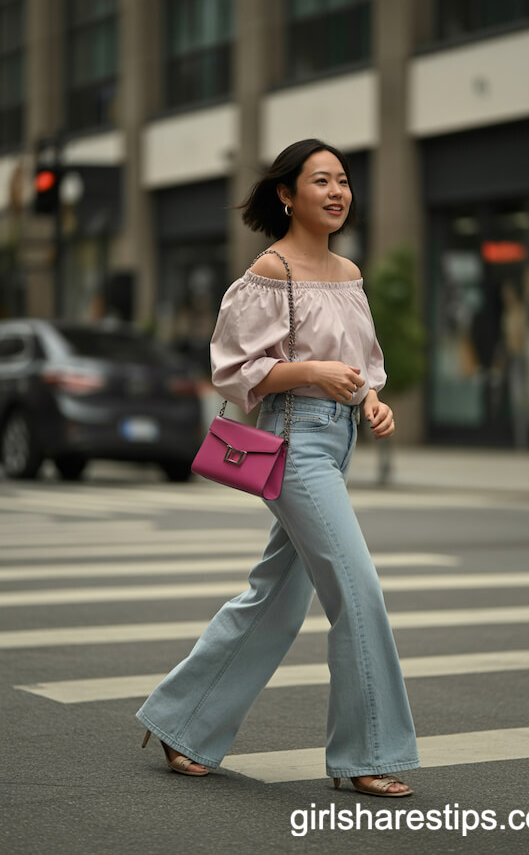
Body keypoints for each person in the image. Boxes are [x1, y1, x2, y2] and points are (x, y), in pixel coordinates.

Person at [136, 139, 420, 797]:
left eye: (343, 180)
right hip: (293, 443)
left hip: (338, 438)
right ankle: (366, 752)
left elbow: (364, 369)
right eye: (321, 180)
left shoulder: (348, 275)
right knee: (359, 591)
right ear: (287, 194)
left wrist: (373, 404)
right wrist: (313, 371)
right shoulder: (271, 271)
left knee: (276, 600)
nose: (337, 191)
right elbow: (235, 370)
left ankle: (182, 722)